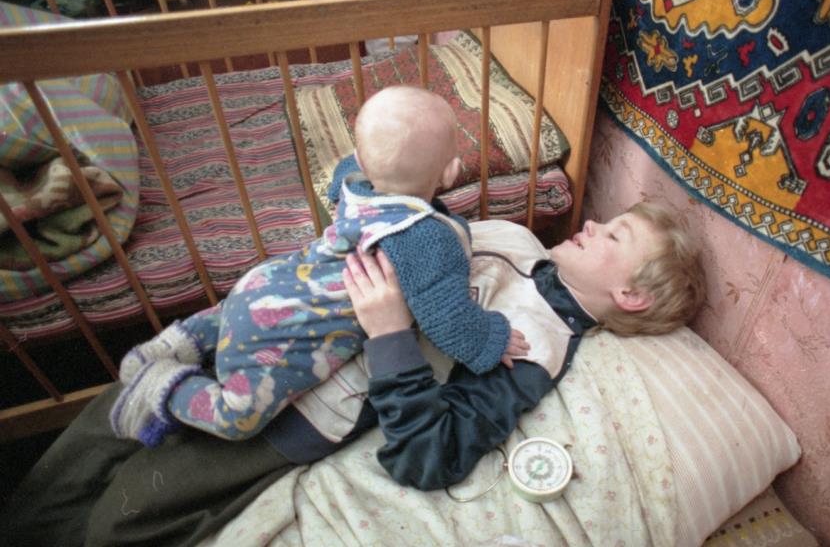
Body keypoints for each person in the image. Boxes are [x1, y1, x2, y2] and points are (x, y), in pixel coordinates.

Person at [0, 202, 703, 547]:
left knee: (127, 508)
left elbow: (428, 453)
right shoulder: (515, 239)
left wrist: (392, 334)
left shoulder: (541, 347)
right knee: (103, 425)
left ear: (631, 296)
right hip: (275, 321)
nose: (594, 223)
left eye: (615, 235)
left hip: (295, 402)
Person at [110, 86, 529, 447]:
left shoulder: (354, 187)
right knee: (237, 417)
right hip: (282, 328)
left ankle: (168, 345)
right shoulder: (425, 239)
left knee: (229, 316)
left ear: (361, 162)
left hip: (266, 282)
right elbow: (447, 317)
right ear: (452, 172)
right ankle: (162, 386)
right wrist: (488, 340)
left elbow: (345, 166)